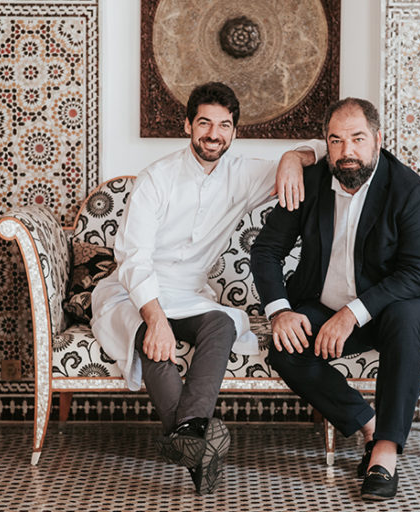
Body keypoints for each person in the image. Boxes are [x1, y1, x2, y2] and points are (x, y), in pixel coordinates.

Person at [91, 82, 319, 495]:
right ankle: (197, 444)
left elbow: (320, 148)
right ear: (188, 126)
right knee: (151, 339)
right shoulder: (156, 178)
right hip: (132, 292)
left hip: (190, 293)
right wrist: (155, 319)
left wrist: (290, 158)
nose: (214, 134)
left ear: (234, 131)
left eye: (224, 125)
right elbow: (133, 258)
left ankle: (188, 437)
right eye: (205, 123)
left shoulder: (244, 174)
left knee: (221, 323)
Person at [250, 97, 420, 500]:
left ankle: (385, 453)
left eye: (358, 139)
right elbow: (266, 250)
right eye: (337, 140)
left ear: (377, 139)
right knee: (286, 347)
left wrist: (351, 314)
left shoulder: (410, 191)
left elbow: (416, 273)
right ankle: (371, 426)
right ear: (325, 143)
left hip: (399, 303)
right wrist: (280, 311)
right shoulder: (310, 183)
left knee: (405, 322)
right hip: (325, 304)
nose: (347, 151)